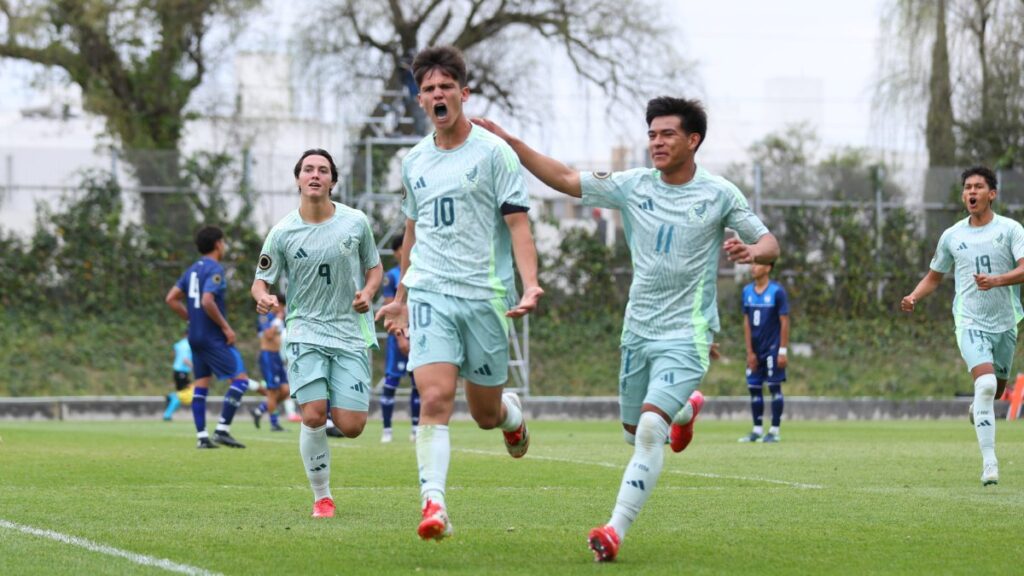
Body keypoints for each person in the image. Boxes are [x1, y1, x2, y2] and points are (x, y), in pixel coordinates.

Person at [473, 95, 779, 562]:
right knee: (635, 432)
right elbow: (566, 179)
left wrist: (753, 252)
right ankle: (684, 411)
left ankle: (613, 531)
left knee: (651, 430)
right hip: (638, 331)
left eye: (667, 134)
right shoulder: (632, 185)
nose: (656, 142)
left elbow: (769, 242)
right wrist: (511, 142)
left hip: (689, 335)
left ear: (693, 140)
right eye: (652, 134)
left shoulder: (719, 194)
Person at [375, 45, 544, 542]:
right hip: (430, 292)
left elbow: (518, 225)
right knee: (434, 397)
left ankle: (510, 415)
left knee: (485, 415)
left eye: (446, 86)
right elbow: (412, 233)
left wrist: (531, 282)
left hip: (485, 296)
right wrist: (401, 296)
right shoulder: (414, 161)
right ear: (420, 100)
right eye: (428, 89)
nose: (437, 94)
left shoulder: (494, 153)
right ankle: (434, 504)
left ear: (463, 93)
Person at [252, 148, 383, 518]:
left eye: (323, 170)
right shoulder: (282, 232)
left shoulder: (355, 222)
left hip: (349, 332)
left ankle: (339, 406)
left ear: (332, 181)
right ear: (298, 179)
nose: (315, 175)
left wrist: (368, 293)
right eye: (308, 169)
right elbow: (260, 281)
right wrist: (263, 298)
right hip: (305, 331)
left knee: (351, 426)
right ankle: (322, 497)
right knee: (312, 414)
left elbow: (374, 268)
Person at [901, 165, 1024, 487]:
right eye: (967, 187)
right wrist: (913, 296)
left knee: (996, 390)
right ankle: (989, 463)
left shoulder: (1011, 230)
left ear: (991, 194)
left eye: (978, 187)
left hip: (1005, 323)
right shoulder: (952, 236)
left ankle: (978, 406)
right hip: (969, 321)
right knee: (986, 385)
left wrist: (997, 280)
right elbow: (934, 277)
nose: (971, 192)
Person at [165, 226, 251, 449]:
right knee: (241, 381)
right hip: (212, 336)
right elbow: (207, 300)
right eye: (223, 242)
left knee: (201, 384)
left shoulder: (191, 270)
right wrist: (226, 328)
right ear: (218, 244)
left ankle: (202, 437)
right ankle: (222, 429)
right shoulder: (215, 268)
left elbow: (171, 299)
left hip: (194, 336)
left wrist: (191, 318)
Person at [738, 262, 790, 443]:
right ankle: (757, 430)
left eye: (758, 264)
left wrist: (782, 350)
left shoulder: (777, 292)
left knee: (774, 387)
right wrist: (749, 352)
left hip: (772, 349)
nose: (753, 267)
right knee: (754, 388)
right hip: (755, 350)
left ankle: (774, 431)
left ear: (768, 268)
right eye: (752, 263)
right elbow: (746, 322)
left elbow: (784, 321)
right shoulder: (747, 291)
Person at [379, 233, 420, 443]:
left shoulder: (420, 273)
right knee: (391, 383)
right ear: (397, 253)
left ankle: (416, 429)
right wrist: (401, 337)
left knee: (417, 384)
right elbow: (391, 308)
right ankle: (387, 430)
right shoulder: (392, 276)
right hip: (399, 338)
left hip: (418, 335)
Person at [251, 295, 291, 432]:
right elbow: (268, 335)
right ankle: (274, 423)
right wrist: (278, 320)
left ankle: (260, 409)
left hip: (277, 357)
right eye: (282, 306)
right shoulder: (265, 316)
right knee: (272, 392)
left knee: (286, 390)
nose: (283, 309)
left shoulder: (280, 319)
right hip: (268, 356)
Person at [164, 331, 194, 421]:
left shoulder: (179, 344)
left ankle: (170, 397)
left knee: (182, 393)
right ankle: (167, 415)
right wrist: (194, 368)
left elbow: (175, 354)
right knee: (183, 394)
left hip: (178, 371)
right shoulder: (187, 345)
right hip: (182, 372)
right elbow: (185, 360)